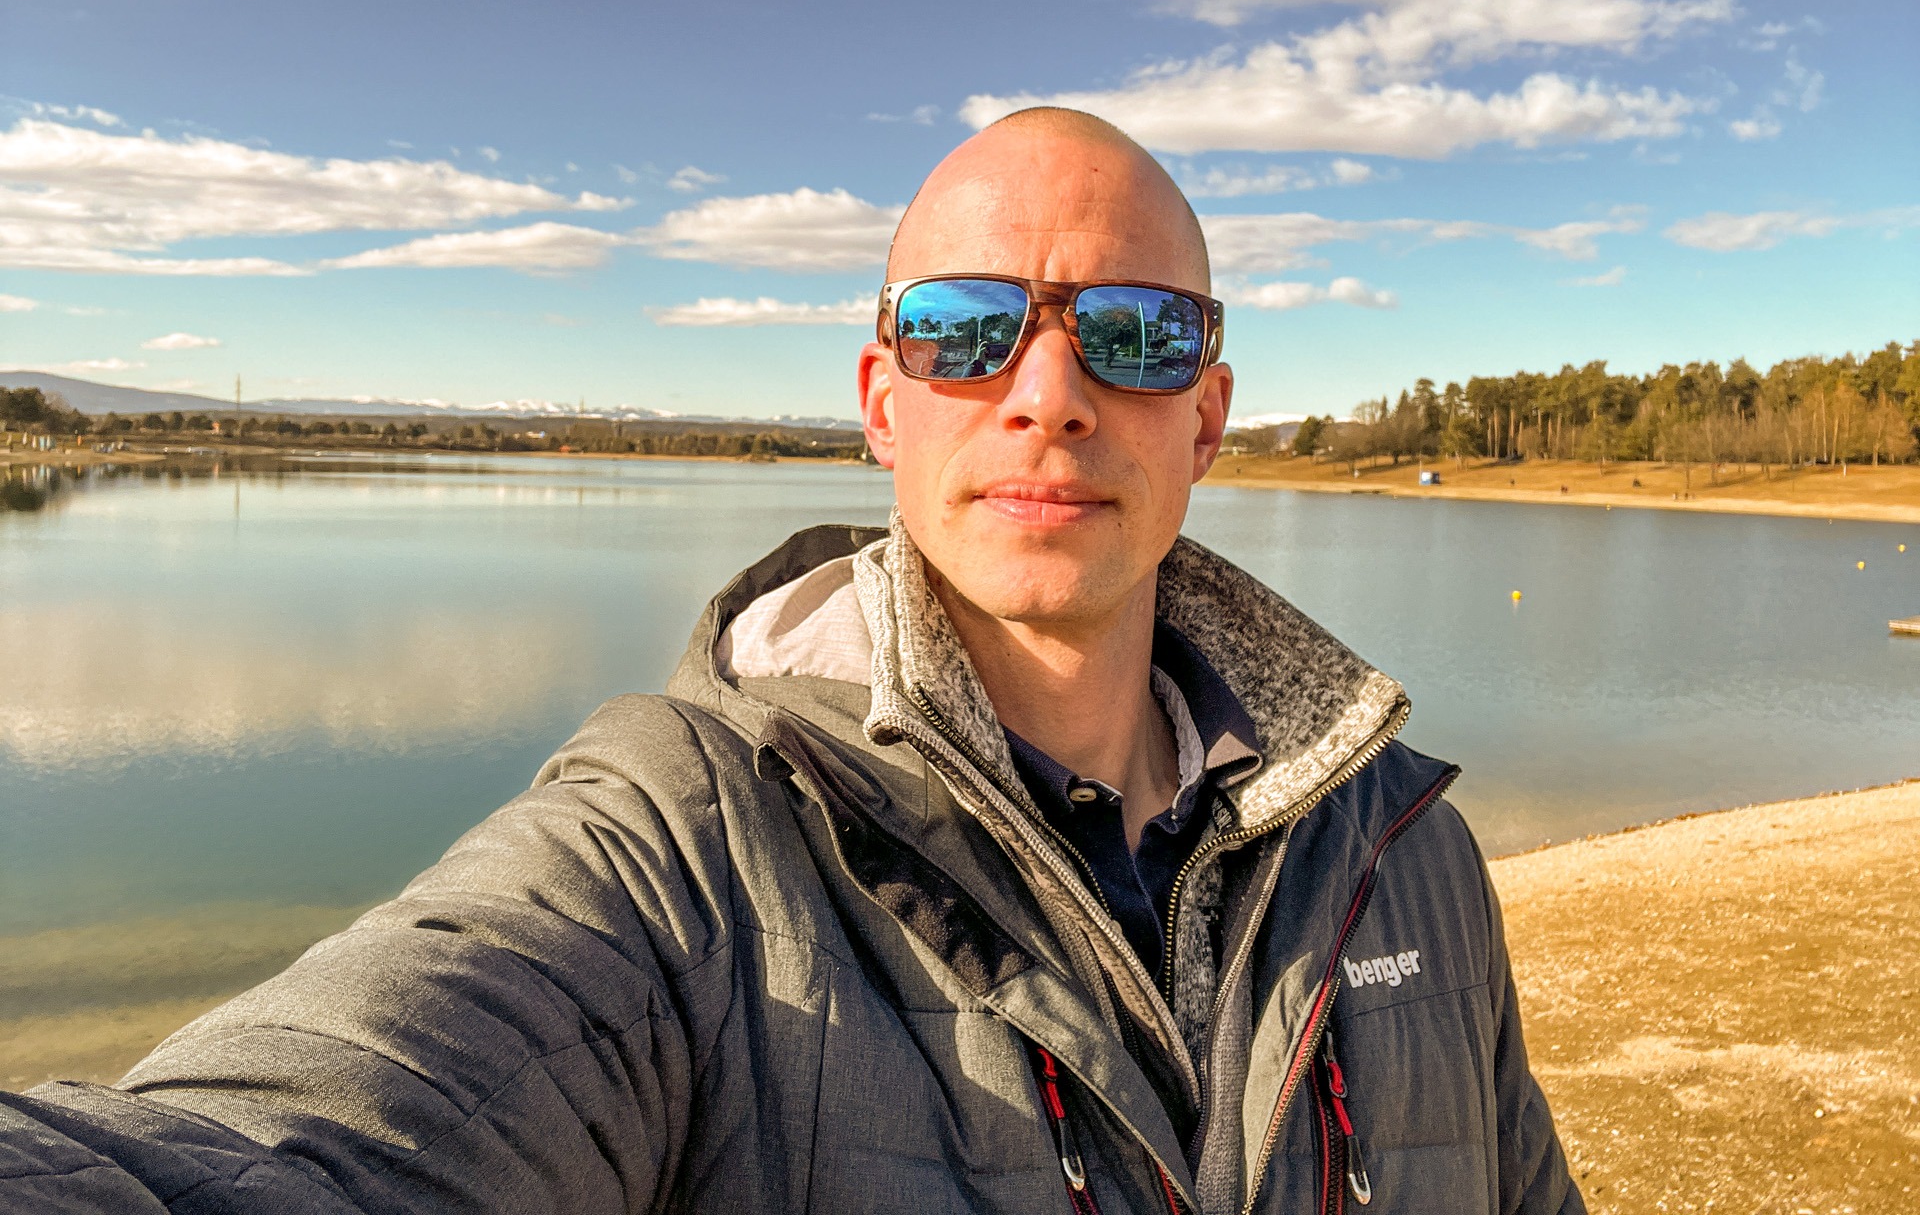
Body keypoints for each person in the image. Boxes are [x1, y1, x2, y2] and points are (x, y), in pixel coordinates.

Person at [0, 109, 1581, 1214]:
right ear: (884, 406)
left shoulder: (1408, 858)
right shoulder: (681, 839)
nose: (1048, 391)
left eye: (1135, 332)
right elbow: (292, 1141)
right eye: (965, 329)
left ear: (1207, 420)